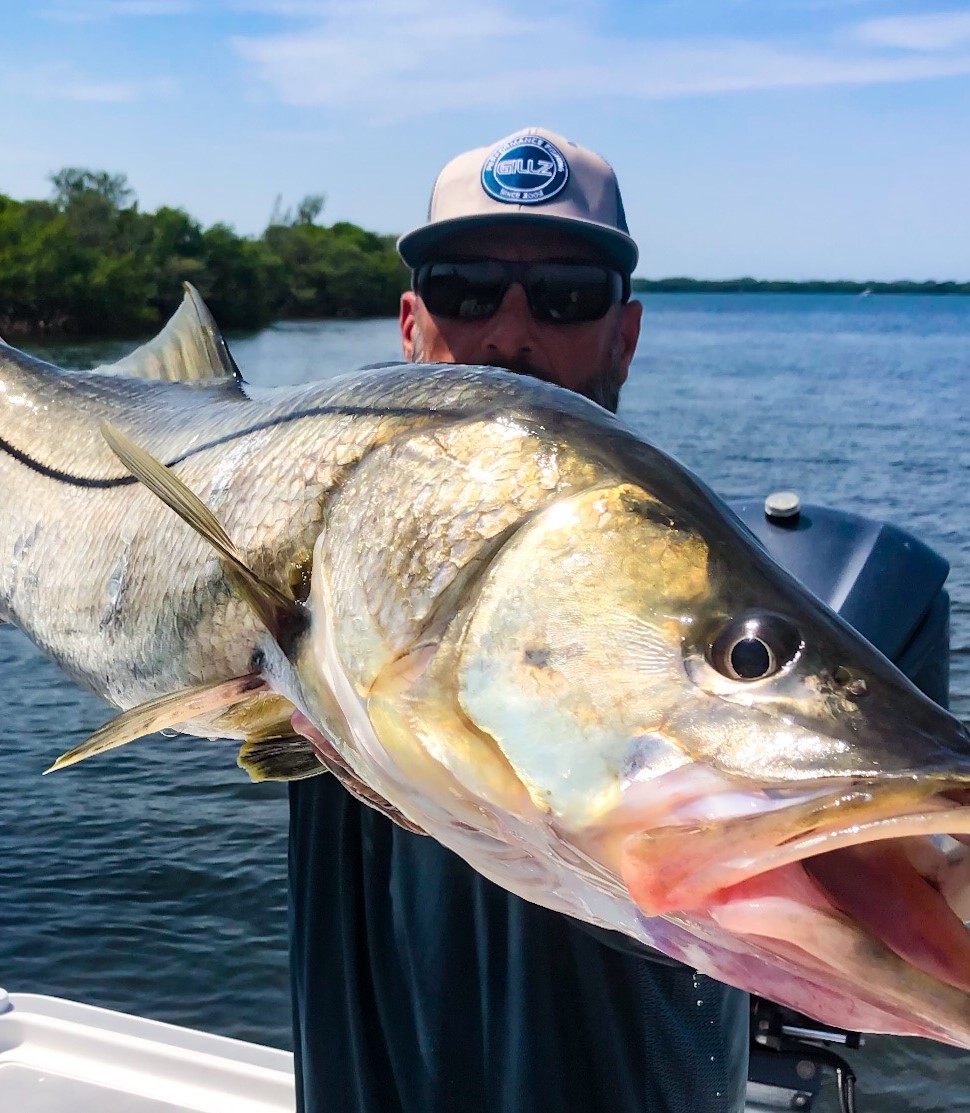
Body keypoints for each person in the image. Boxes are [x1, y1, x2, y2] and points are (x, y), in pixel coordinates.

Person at [287, 127, 750, 1113]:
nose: (506, 332)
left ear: (622, 334)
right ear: (410, 324)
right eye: (462, 288)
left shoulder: (696, 588)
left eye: (564, 297)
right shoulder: (302, 529)